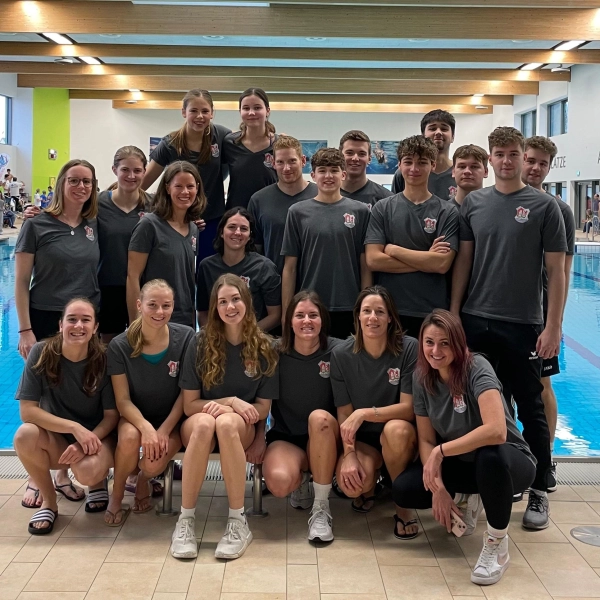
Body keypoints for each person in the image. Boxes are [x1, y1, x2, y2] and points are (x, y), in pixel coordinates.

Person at [451, 126, 567, 530]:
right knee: (482, 407)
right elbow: (464, 262)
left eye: (513, 154)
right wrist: (454, 314)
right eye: (498, 153)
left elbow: (557, 271)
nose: (506, 161)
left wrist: (553, 326)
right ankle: (489, 483)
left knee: (530, 406)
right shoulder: (474, 204)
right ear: (490, 157)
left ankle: (539, 487)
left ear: (522, 155)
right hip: (476, 319)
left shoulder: (544, 207)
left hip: (523, 324)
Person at [392, 309, 535, 586]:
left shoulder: (476, 367)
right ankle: (467, 498)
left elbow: (496, 431)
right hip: (463, 462)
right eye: (429, 342)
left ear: (458, 342)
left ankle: (497, 545)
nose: (436, 350)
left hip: (510, 460)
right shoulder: (422, 377)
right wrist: (439, 489)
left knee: (489, 456)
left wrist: (440, 453)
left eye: (445, 343)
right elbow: (426, 440)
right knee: (405, 489)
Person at [172, 273, 278, 560]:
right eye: (223, 302)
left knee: (226, 422)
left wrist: (233, 413)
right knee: (209, 421)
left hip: (237, 428)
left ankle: (237, 521)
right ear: (215, 308)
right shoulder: (200, 342)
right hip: (199, 422)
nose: (230, 307)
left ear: (247, 302)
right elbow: (190, 405)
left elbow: (264, 409)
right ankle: (185, 520)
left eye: (235, 299)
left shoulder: (265, 346)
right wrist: (230, 401)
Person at [13, 298, 118, 535]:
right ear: (61, 325)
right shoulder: (41, 352)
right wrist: (74, 428)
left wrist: (86, 440)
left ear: (95, 327)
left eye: (85, 320)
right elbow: (27, 411)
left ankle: (98, 481)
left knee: (88, 470)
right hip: (60, 441)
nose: (78, 325)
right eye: (72, 319)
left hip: (98, 437)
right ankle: (50, 502)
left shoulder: (104, 359)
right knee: (24, 435)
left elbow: (112, 416)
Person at [331, 286, 419, 538]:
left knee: (396, 429)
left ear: (390, 317)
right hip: (365, 441)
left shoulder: (408, 348)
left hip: (399, 435)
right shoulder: (341, 355)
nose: (373, 318)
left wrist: (364, 413)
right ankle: (373, 485)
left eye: (380, 312)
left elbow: (408, 409)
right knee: (353, 487)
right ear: (357, 316)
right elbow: (344, 415)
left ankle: (403, 509)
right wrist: (348, 454)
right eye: (367, 311)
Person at [104, 279, 195, 524]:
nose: (159, 312)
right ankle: (118, 493)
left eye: (166, 305)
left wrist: (164, 430)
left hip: (172, 420)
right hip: (135, 417)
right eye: (152, 305)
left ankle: (143, 479)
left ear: (173, 306)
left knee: (153, 465)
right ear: (139, 305)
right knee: (131, 437)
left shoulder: (186, 337)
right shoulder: (120, 346)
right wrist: (145, 428)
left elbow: (185, 394)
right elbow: (122, 401)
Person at [257, 291, 343, 542]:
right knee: (279, 483)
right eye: (300, 315)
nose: (307, 321)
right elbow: (264, 399)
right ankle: (305, 476)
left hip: (327, 434)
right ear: (289, 321)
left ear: (322, 320)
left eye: (313, 315)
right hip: (288, 437)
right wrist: (258, 438)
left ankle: (321, 507)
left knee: (319, 418)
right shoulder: (275, 351)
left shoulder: (338, 351)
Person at [522, 135, 575, 491]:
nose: (535, 168)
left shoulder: (560, 209)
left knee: (542, 386)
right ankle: (517, 456)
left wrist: (555, 323)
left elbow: (564, 271)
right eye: (531, 160)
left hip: (538, 314)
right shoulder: (495, 201)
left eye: (543, 163)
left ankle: (547, 457)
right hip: (504, 311)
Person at [365, 135, 459, 338]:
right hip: (389, 311)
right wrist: (427, 259)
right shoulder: (383, 208)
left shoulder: (447, 211)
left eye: (422, 163)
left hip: (431, 313)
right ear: (399, 165)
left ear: (433, 165)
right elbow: (373, 260)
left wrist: (393, 250)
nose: (414, 169)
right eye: (408, 162)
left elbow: (442, 264)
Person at [282, 148, 371, 339]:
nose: (328, 176)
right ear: (313, 175)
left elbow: (365, 264)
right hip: (309, 307)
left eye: (334, 170)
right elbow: (290, 268)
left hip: (349, 306)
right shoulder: (297, 212)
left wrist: (364, 306)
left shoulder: (361, 211)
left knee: (346, 366)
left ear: (343, 174)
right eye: (322, 170)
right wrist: (287, 313)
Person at [142, 89, 231, 262]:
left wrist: (275, 138)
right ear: (184, 112)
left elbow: (249, 144)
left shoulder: (221, 136)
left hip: (212, 219)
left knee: (208, 272)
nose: (200, 116)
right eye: (193, 111)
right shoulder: (170, 143)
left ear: (212, 113)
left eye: (205, 111)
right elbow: (142, 183)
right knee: (177, 269)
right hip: (176, 220)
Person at [128, 161, 205, 329]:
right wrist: (137, 324)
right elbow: (132, 277)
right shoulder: (149, 225)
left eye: (190, 186)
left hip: (185, 321)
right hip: (155, 319)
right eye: (178, 186)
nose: (185, 192)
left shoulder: (193, 228)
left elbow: (187, 278)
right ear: (168, 187)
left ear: (197, 188)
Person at [196, 207, 281, 332]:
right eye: (232, 227)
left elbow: (275, 315)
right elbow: (203, 312)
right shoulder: (206, 266)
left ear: (249, 236)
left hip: (253, 340)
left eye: (244, 229)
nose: (237, 232)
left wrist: (247, 337)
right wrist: (213, 338)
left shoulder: (264, 267)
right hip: (218, 341)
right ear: (221, 232)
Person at [248, 135, 317, 274]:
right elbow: (254, 250)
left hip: (312, 281)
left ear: (303, 161)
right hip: (273, 282)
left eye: (292, 161)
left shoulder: (320, 195)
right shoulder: (259, 200)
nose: (286, 168)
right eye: (280, 162)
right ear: (273, 163)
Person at [222, 88, 278, 210]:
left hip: (269, 213)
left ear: (267, 111)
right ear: (240, 111)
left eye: (257, 108)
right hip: (236, 214)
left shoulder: (279, 145)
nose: (251, 113)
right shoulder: (229, 143)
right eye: (246, 108)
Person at [392, 109, 457, 201]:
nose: (438, 132)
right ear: (423, 135)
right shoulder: (405, 173)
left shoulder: (460, 173)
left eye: (444, 129)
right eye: (432, 128)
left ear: (453, 137)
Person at [339, 130, 393, 206]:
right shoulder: (323, 196)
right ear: (340, 156)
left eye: (361, 154)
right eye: (349, 153)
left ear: (369, 159)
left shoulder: (386, 199)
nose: (355, 158)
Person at [450, 144, 489, 209]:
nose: (467, 171)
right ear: (453, 172)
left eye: (474, 167)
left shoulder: (494, 209)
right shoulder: (443, 213)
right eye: (462, 167)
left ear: (485, 172)